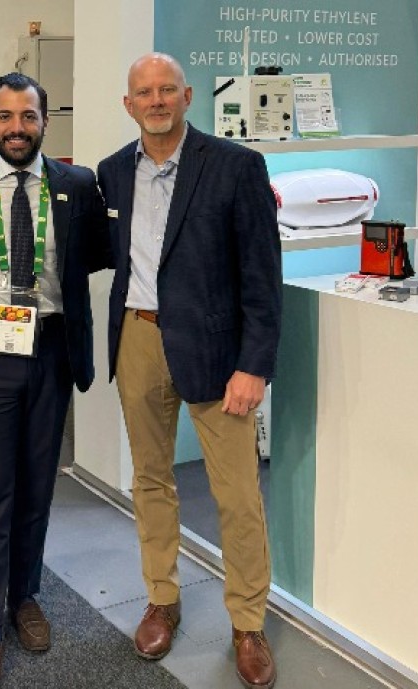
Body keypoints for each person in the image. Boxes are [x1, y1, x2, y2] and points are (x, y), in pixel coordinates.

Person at [96, 53, 281, 689]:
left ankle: (248, 623)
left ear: (187, 96)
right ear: (128, 104)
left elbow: (262, 277)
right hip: (138, 338)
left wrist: (253, 365)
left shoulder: (235, 166)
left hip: (216, 352)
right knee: (149, 480)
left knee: (237, 494)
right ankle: (162, 599)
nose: (156, 101)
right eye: (144, 92)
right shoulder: (113, 172)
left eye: (167, 89)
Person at [0, 73, 110, 689]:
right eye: (5, 116)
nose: (17, 128)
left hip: (52, 349)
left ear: (44, 121)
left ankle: (25, 597)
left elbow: (98, 253)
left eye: (28, 116)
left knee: (38, 485)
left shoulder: (76, 185)